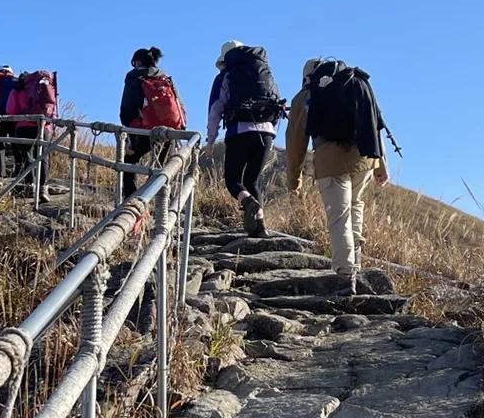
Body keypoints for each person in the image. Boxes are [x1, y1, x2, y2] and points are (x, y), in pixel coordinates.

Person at [286, 58, 389, 289]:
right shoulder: (354, 84)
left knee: (339, 216)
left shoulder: (305, 97)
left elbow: (295, 141)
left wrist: (294, 178)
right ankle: (356, 263)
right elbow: (373, 124)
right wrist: (382, 165)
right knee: (355, 205)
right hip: (364, 158)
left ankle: (345, 276)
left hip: (329, 160)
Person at [206, 41, 287, 236]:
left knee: (233, 181)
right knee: (253, 181)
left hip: (239, 131)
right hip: (267, 132)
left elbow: (215, 110)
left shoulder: (225, 76)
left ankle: (248, 202)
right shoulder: (264, 71)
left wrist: (210, 141)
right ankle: (260, 228)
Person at [118, 46, 186, 197]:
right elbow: (179, 105)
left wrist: (129, 135)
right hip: (170, 130)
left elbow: (127, 108)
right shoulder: (165, 78)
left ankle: (132, 200)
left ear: (137, 61)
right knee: (159, 167)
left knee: (128, 160)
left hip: (144, 129)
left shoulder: (134, 77)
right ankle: (155, 200)